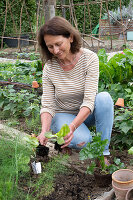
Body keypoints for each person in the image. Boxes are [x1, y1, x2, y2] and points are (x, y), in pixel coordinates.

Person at [37, 16, 114, 163]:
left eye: (59, 44)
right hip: (63, 114)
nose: (56, 50)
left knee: (104, 98)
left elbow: (89, 100)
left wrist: (73, 126)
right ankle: (68, 139)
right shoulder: (49, 67)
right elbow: (47, 104)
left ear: (70, 37)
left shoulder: (89, 58)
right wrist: (44, 131)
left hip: (86, 113)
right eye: (50, 46)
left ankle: (102, 154)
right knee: (83, 140)